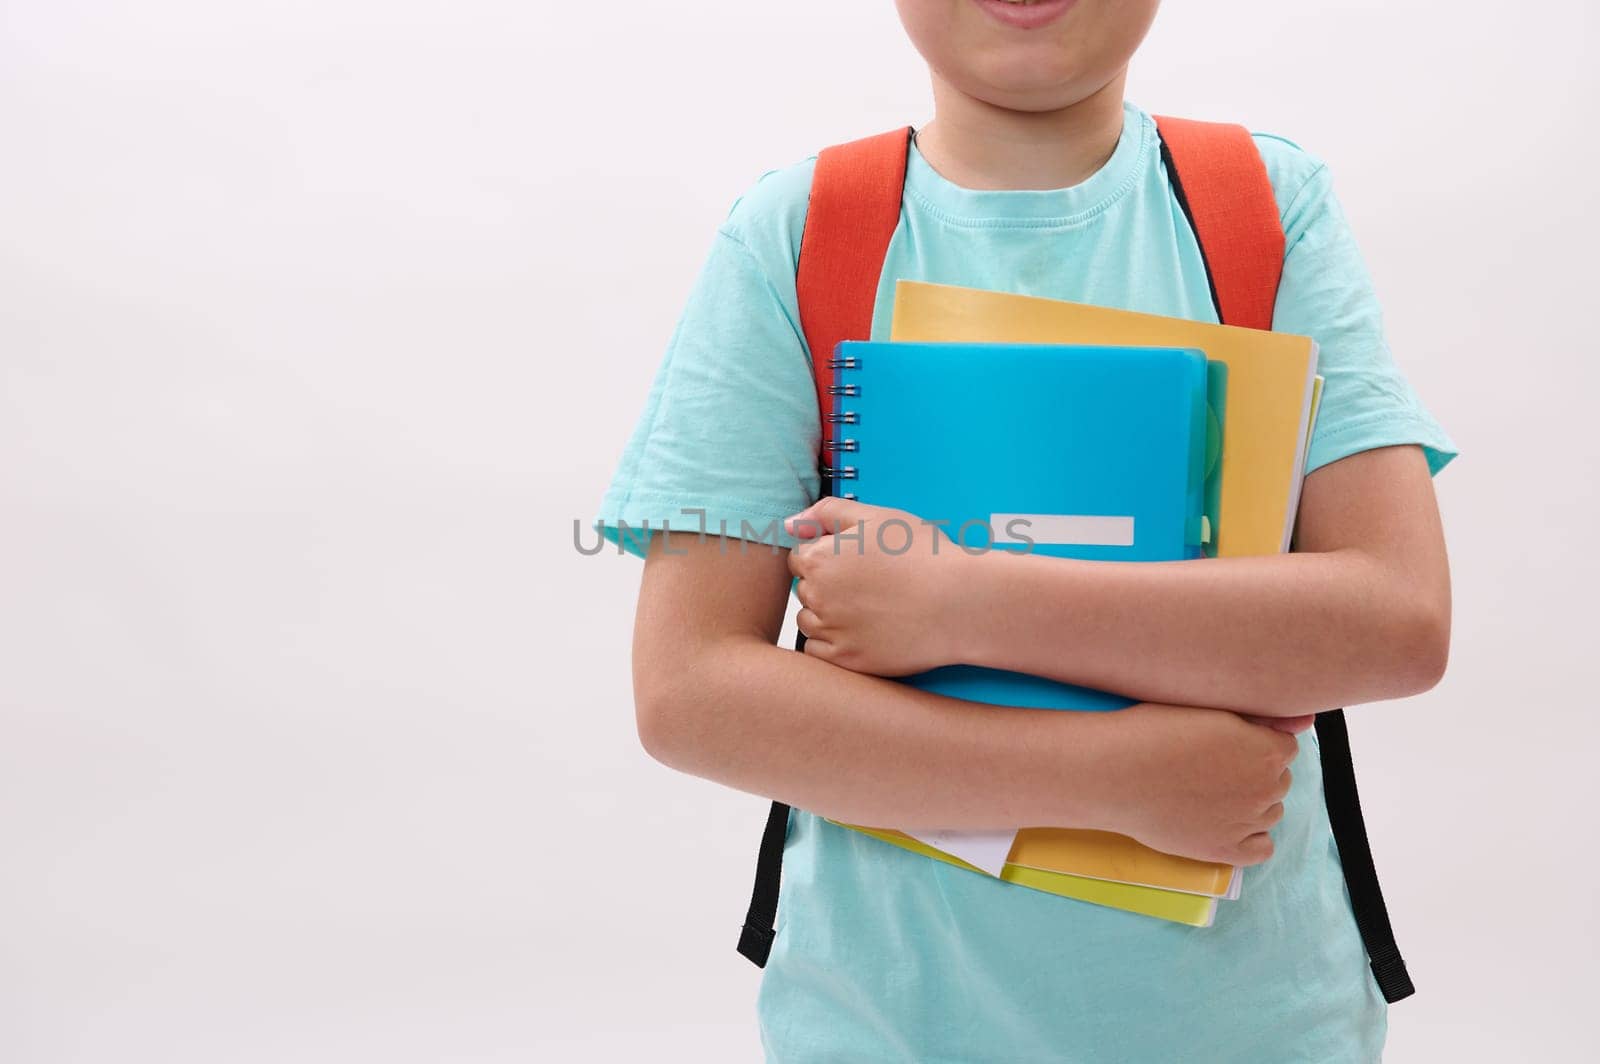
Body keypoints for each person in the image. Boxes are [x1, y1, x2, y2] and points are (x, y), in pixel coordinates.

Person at [594, 0, 1456, 1059]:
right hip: (884, 1026)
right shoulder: (798, 231)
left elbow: (1395, 619)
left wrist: (965, 600)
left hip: (1258, 1025)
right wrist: (1107, 774)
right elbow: (688, 691)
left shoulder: (1267, 208)